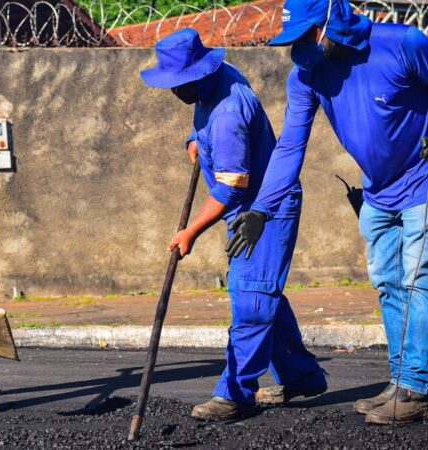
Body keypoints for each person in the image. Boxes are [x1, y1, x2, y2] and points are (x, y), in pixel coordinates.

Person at [225, 0, 428, 425]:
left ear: (331, 20)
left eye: (305, 36)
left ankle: (415, 390)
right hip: (377, 189)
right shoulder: (307, 75)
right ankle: (399, 382)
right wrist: (263, 208)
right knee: (389, 284)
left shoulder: (403, 43)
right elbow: (290, 147)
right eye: (292, 41)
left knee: (418, 279)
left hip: (425, 177)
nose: (298, 49)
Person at [140, 28, 327, 421]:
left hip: (264, 212)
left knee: (252, 301)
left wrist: (190, 231)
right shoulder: (219, 77)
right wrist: (195, 138)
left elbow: (231, 188)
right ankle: (303, 374)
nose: (175, 92)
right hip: (246, 207)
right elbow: (206, 126)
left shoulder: (228, 114)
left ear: (199, 75)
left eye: (180, 85)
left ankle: (235, 393)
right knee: (261, 293)